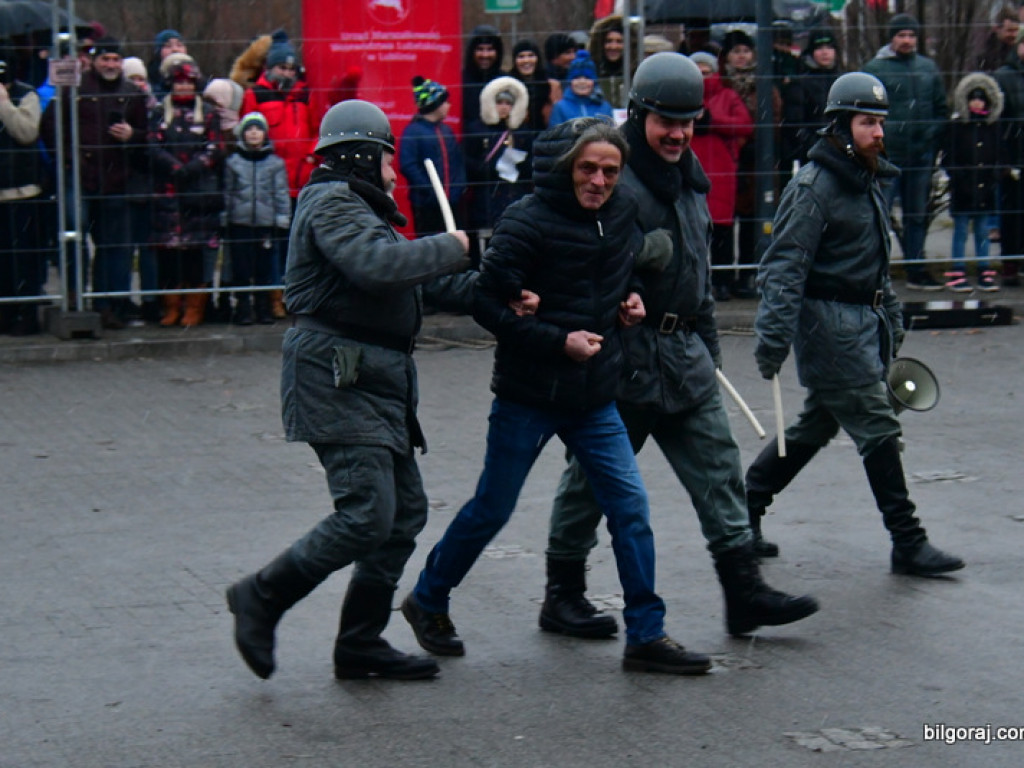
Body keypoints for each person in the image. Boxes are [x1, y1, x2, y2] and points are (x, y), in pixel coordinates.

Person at [401, 117, 714, 676]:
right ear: (565, 167)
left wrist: (633, 301)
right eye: (588, 169)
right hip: (529, 393)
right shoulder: (526, 222)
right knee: (492, 508)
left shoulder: (621, 215)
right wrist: (555, 340)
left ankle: (647, 634)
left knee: (631, 510)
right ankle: (427, 598)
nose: (599, 181)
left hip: (595, 394)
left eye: (610, 172)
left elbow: (621, 276)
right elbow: (487, 304)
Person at [539, 53, 817, 642]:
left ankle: (743, 595)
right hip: (623, 361)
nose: (680, 132)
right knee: (590, 484)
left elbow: (699, 275)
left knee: (720, 472)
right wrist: (638, 256)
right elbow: (577, 258)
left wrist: (709, 346)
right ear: (639, 114)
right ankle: (561, 594)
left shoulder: (690, 177)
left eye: (688, 120)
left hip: (684, 354)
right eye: (668, 120)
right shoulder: (609, 177)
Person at [225, 100, 473, 682]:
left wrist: (502, 290)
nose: (394, 173)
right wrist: (455, 246)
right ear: (364, 155)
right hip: (338, 376)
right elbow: (378, 267)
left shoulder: (358, 209)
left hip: (372, 380)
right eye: (389, 159)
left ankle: (360, 642)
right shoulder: (332, 202)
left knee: (402, 513)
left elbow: (409, 287)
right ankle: (261, 595)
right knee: (367, 514)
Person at [744, 72, 964, 578]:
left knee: (814, 427)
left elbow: (873, 262)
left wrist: (890, 313)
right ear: (842, 127)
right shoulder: (815, 187)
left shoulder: (864, 180)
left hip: (858, 326)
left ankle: (744, 509)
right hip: (831, 332)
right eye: (869, 123)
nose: (879, 132)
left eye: (881, 122)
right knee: (878, 424)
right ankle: (907, 540)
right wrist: (773, 338)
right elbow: (784, 267)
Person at [40, 36, 148, 330]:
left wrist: (132, 136)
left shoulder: (132, 93)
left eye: (115, 60)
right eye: (105, 59)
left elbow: (146, 135)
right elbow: (50, 125)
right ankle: (75, 296)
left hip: (117, 178)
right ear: (95, 60)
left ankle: (106, 303)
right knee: (75, 239)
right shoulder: (73, 89)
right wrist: (64, 160)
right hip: (80, 175)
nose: (110, 65)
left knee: (113, 246)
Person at [864, 13, 948, 291]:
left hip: (921, 154)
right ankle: (873, 271)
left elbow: (940, 109)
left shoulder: (928, 68)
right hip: (888, 155)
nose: (907, 40)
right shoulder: (876, 69)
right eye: (902, 35)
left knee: (916, 215)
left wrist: (931, 136)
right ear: (892, 37)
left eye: (911, 35)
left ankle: (916, 268)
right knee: (879, 213)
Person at [240, 29, 318, 319]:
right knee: (270, 247)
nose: (286, 73)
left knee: (298, 246)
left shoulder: (305, 95)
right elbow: (249, 131)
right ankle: (273, 298)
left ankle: (294, 295)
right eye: (281, 67)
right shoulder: (255, 94)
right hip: (269, 187)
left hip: (300, 182)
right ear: (269, 68)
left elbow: (314, 131)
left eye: (290, 68)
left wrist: (311, 158)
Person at [147, 54, 226, 328]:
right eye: (178, 83)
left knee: (195, 255)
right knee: (168, 256)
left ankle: (195, 308)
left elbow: (215, 148)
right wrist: (173, 166)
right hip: (167, 194)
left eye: (188, 83)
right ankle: (171, 306)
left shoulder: (209, 113)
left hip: (198, 193)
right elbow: (152, 147)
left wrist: (192, 167)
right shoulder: (159, 112)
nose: (183, 88)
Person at [688, 51, 753, 303]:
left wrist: (712, 121)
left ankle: (722, 281)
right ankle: (699, 281)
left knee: (722, 230)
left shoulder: (727, 96)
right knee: (693, 230)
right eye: (698, 72)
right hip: (695, 167)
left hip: (722, 171)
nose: (703, 78)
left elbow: (745, 124)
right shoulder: (684, 97)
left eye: (707, 72)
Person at [223, 112, 291, 325]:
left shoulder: (275, 163)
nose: (254, 133)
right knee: (241, 268)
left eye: (258, 129)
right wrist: (225, 216)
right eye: (249, 129)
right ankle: (243, 307)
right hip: (240, 222)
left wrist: (282, 218)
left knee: (263, 268)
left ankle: (264, 307)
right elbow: (228, 192)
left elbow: (280, 192)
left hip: (265, 222)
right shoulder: (233, 162)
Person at [941, 74, 1003, 293]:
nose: (977, 102)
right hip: (962, 188)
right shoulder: (957, 126)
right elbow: (949, 158)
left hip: (986, 188)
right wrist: (961, 179)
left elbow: (997, 156)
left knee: (982, 231)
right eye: (973, 98)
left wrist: (993, 177)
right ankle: (958, 270)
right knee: (960, 231)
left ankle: (984, 270)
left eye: (981, 98)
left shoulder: (992, 127)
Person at [0, 41, 46, 335]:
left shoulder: (26, 95)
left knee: (25, 260)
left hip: (23, 191)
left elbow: (27, 132)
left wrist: (4, 104)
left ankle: (27, 313)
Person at [719, 29, 765, 300]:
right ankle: (723, 276)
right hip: (724, 161)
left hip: (753, 164)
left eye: (746, 51)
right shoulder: (719, 85)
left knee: (751, 223)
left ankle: (747, 274)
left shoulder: (762, 84)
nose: (741, 56)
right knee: (722, 224)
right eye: (736, 51)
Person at [463, 76, 533, 240]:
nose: (503, 107)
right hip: (486, 198)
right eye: (499, 102)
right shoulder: (477, 129)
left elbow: (533, 163)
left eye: (508, 103)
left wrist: (522, 165)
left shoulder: (522, 131)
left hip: (515, 195)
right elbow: (467, 162)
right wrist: (492, 168)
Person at [398, 76, 466, 241]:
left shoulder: (447, 131)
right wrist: (430, 189)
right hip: (425, 204)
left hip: (452, 202)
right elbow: (407, 165)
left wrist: (459, 187)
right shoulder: (413, 132)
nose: (449, 106)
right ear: (435, 104)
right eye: (445, 102)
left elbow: (457, 162)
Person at [994, 26, 1024, 287]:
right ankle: (1011, 264)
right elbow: (998, 123)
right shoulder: (1003, 77)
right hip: (1014, 158)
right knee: (1012, 215)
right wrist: (1004, 160)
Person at [794, 28, 843, 165]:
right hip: (812, 154)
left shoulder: (844, 80)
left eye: (829, 47)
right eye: (819, 48)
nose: (825, 52)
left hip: (842, 152)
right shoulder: (800, 82)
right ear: (811, 52)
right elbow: (796, 122)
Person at [548, 51, 613, 126]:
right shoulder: (560, 107)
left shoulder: (605, 107)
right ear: (570, 82)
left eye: (587, 78)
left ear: (594, 82)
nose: (582, 82)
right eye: (577, 78)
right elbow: (554, 134)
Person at [461, 25, 504, 130]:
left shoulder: (505, 81)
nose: (485, 55)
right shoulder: (461, 80)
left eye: (490, 49)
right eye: (480, 49)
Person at [508, 39, 555, 134]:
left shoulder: (550, 84)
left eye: (531, 55)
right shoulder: (508, 84)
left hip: (546, 135)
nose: (526, 60)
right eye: (521, 57)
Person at [972, 6, 1020, 72]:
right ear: (996, 29)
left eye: (1016, 30)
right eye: (1010, 30)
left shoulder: (1019, 52)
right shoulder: (985, 54)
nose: (1014, 35)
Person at [147, 29, 187, 100]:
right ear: (158, 52)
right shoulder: (149, 80)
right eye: (168, 46)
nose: (175, 49)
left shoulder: (196, 78)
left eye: (179, 45)